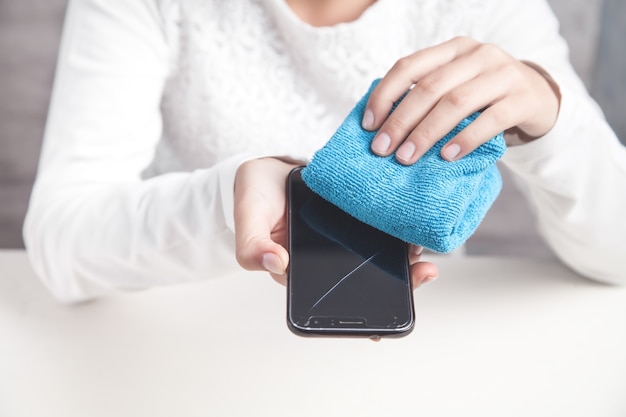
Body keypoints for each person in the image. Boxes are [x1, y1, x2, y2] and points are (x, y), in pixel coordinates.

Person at [23, 0, 626, 303]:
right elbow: (61, 240)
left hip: (419, 353)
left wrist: (551, 116)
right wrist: (228, 199)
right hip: (186, 343)